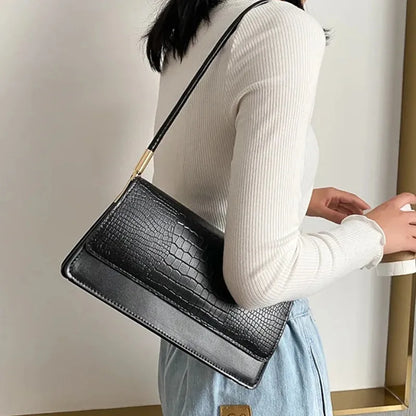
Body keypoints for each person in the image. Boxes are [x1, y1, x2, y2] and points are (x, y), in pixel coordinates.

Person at [141, 0, 416, 414]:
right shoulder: (281, 27)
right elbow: (258, 278)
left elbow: (192, 186)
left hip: (188, 343)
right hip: (252, 357)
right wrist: (373, 236)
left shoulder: (195, 22)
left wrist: (296, 196)